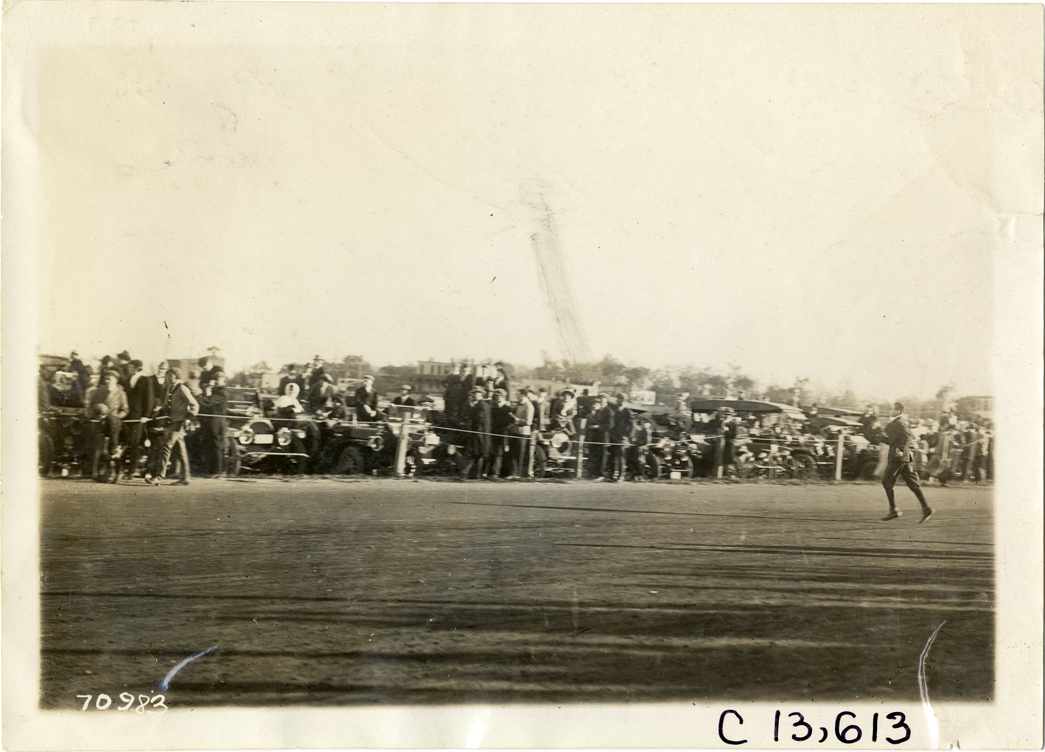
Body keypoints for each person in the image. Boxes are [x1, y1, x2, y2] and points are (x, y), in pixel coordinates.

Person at [881, 402, 933, 522]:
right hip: (904, 459)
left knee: (886, 482)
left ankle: (894, 510)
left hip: (897, 459)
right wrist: (879, 438)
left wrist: (898, 452)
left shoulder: (899, 423)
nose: (889, 410)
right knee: (912, 483)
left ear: (898, 411)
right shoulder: (897, 423)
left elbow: (906, 438)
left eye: (891, 409)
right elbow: (893, 441)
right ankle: (926, 508)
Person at [151, 367, 198, 486]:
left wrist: (188, 418)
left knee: (167, 446)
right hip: (173, 422)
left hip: (179, 423)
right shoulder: (170, 389)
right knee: (181, 450)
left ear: (176, 376)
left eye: (169, 374)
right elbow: (167, 404)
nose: (167, 377)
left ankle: (158, 477)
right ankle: (186, 477)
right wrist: (159, 412)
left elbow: (194, 404)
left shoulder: (182, 388)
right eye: (166, 374)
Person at [86, 369, 129, 477]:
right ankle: (94, 472)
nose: (107, 380)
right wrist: (96, 414)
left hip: (113, 424)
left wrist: (116, 418)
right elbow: (92, 405)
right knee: (97, 448)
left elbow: (125, 409)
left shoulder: (121, 393)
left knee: (112, 448)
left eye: (109, 379)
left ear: (116, 380)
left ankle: (115, 471)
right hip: (100, 422)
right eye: (106, 378)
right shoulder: (100, 390)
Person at [123, 359, 155, 479]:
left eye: (130, 367)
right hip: (127, 416)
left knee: (135, 444)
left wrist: (146, 415)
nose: (128, 369)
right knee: (126, 443)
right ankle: (122, 470)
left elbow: (149, 398)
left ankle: (131, 471)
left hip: (139, 417)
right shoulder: (127, 380)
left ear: (137, 368)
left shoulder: (145, 380)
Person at [197, 370, 229, 476]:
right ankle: (212, 470)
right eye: (214, 379)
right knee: (211, 445)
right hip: (212, 422)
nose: (215, 381)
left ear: (224, 380)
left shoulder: (222, 392)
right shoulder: (216, 390)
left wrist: (205, 394)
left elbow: (207, 401)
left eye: (217, 379)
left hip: (217, 422)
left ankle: (218, 471)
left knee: (217, 446)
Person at [460, 387, 491, 480]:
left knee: (477, 454)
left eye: (475, 393)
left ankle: (469, 473)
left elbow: (480, 419)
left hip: (479, 433)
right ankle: (473, 475)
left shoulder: (481, 405)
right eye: (473, 393)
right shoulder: (482, 404)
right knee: (477, 454)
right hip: (480, 433)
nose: (473, 395)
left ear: (481, 394)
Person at [605, 393, 634, 482]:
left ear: (625, 401)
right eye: (619, 399)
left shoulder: (627, 411)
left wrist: (626, 436)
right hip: (613, 436)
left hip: (622, 437)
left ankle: (621, 475)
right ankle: (612, 474)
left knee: (621, 456)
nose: (620, 401)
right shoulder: (615, 409)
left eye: (622, 399)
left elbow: (631, 425)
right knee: (613, 455)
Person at [508, 388, 535, 478]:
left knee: (520, 454)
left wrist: (517, 420)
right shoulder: (518, 405)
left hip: (523, 433)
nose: (517, 396)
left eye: (518, 395)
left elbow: (528, 422)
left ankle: (519, 474)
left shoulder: (529, 406)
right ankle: (513, 473)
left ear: (523, 395)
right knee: (513, 453)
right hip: (515, 431)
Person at [488, 388, 513, 479]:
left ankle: (497, 473)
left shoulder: (507, 408)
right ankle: (494, 471)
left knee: (501, 453)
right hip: (495, 432)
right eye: (495, 397)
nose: (497, 399)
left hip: (503, 433)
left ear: (503, 397)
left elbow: (510, 421)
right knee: (495, 452)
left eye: (499, 397)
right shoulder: (494, 408)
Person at [586, 394, 611, 479]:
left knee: (602, 456)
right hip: (595, 438)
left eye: (602, 400)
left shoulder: (608, 411)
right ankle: (594, 473)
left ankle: (601, 474)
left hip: (603, 437)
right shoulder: (596, 413)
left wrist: (597, 427)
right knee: (595, 456)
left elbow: (609, 425)